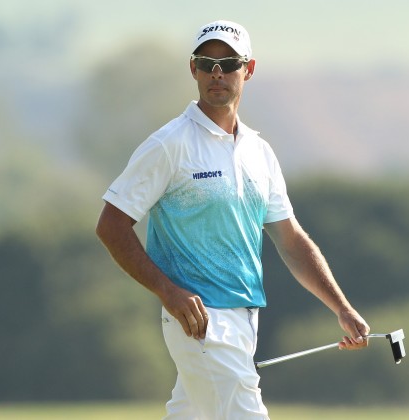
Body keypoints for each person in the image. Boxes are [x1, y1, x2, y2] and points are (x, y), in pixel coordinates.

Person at [96, 19, 370, 420]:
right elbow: (111, 225)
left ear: (249, 69)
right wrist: (168, 292)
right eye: (207, 63)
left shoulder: (259, 152)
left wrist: (342, 308)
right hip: (200, 323)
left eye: (229, 63)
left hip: (244, 321)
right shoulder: (170, 145)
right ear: (194, 70)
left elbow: (291, 241)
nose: (217, 73)